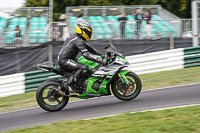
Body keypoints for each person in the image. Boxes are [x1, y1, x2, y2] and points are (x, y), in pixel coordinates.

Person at [58, 23, 107, 93]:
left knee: (83, 65)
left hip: (67, 59)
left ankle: (79, 84)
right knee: (84, 67)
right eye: (87, 32)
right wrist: (100, 61)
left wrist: (101, 55)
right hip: (65, 60)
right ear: (82, 32)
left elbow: (89, 48)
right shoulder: (78, 41)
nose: (89, 34)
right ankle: (68, 84)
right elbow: (86, 54)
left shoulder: (76, 37)